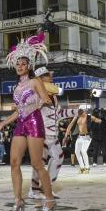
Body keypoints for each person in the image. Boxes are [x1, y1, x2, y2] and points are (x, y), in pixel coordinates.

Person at [0, 33, 55, 211]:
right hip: (21, 124)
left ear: (29, 66)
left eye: (23, 64)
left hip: (34, 122)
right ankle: (18, 201)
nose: (20, 67)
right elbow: (18, 111)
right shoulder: (17, 87)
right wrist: (3, 123)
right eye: (17, 64)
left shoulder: (35, 81)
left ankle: (49, 201)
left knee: (36, 164)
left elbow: (46, 100)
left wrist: (34, 105)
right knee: (14, 162)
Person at [27, 67, 78, 199]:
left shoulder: (52, 96)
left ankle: (44, 188)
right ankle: (36, 190)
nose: (51, 77)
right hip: (41, 134)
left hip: (51, 134)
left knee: (53, 159)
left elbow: (58, 114)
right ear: (41, 78)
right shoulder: (37, 94)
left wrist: (76, 112)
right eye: (49, 75)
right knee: (44, 161)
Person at [64, 109, 102, 173]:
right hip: (80, 136)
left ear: (84, 112)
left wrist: (99, 120)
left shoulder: (89, 117)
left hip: (87, 136)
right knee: (77, 152)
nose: (79, 114)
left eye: (81, 113)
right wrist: (66, 135)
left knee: (83, 151)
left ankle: (87, 167)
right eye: (79, 113)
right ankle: (82, 167)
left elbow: (97, 120)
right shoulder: (77, 117)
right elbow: (70, 125)